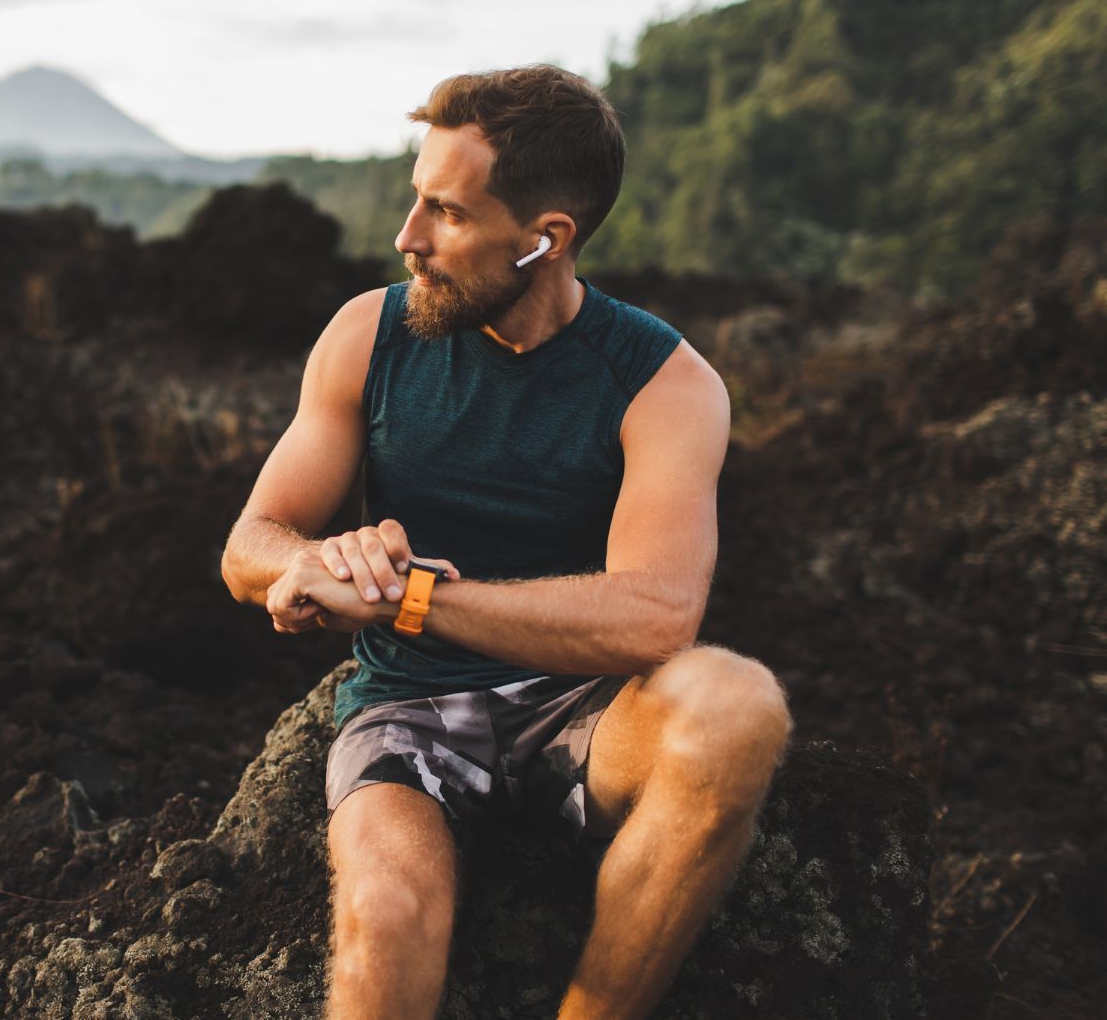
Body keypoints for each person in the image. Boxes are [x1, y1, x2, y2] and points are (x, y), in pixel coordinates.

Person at [219, 65, 791, 1020]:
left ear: (543, 238)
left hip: (585, 708)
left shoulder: (664, 383)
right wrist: (312, 566)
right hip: (405, 705)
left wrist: (410, 596)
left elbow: (655, 614)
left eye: (445, 213)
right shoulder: (370, 334)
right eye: (415, 200)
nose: (407, 239)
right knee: (386, 906)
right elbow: (251, 541)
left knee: (737, 705)